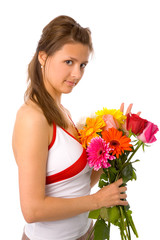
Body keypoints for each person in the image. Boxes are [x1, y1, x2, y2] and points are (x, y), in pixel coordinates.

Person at [12, 15, 129, 240]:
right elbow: (32, 210)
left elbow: (79, 183)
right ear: (43, 57)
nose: (77, 74)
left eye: (82, 65)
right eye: (69, 62)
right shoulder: (32, 118)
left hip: (86, 233)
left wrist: (113, 142)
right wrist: (98, 201)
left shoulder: (62, 112)